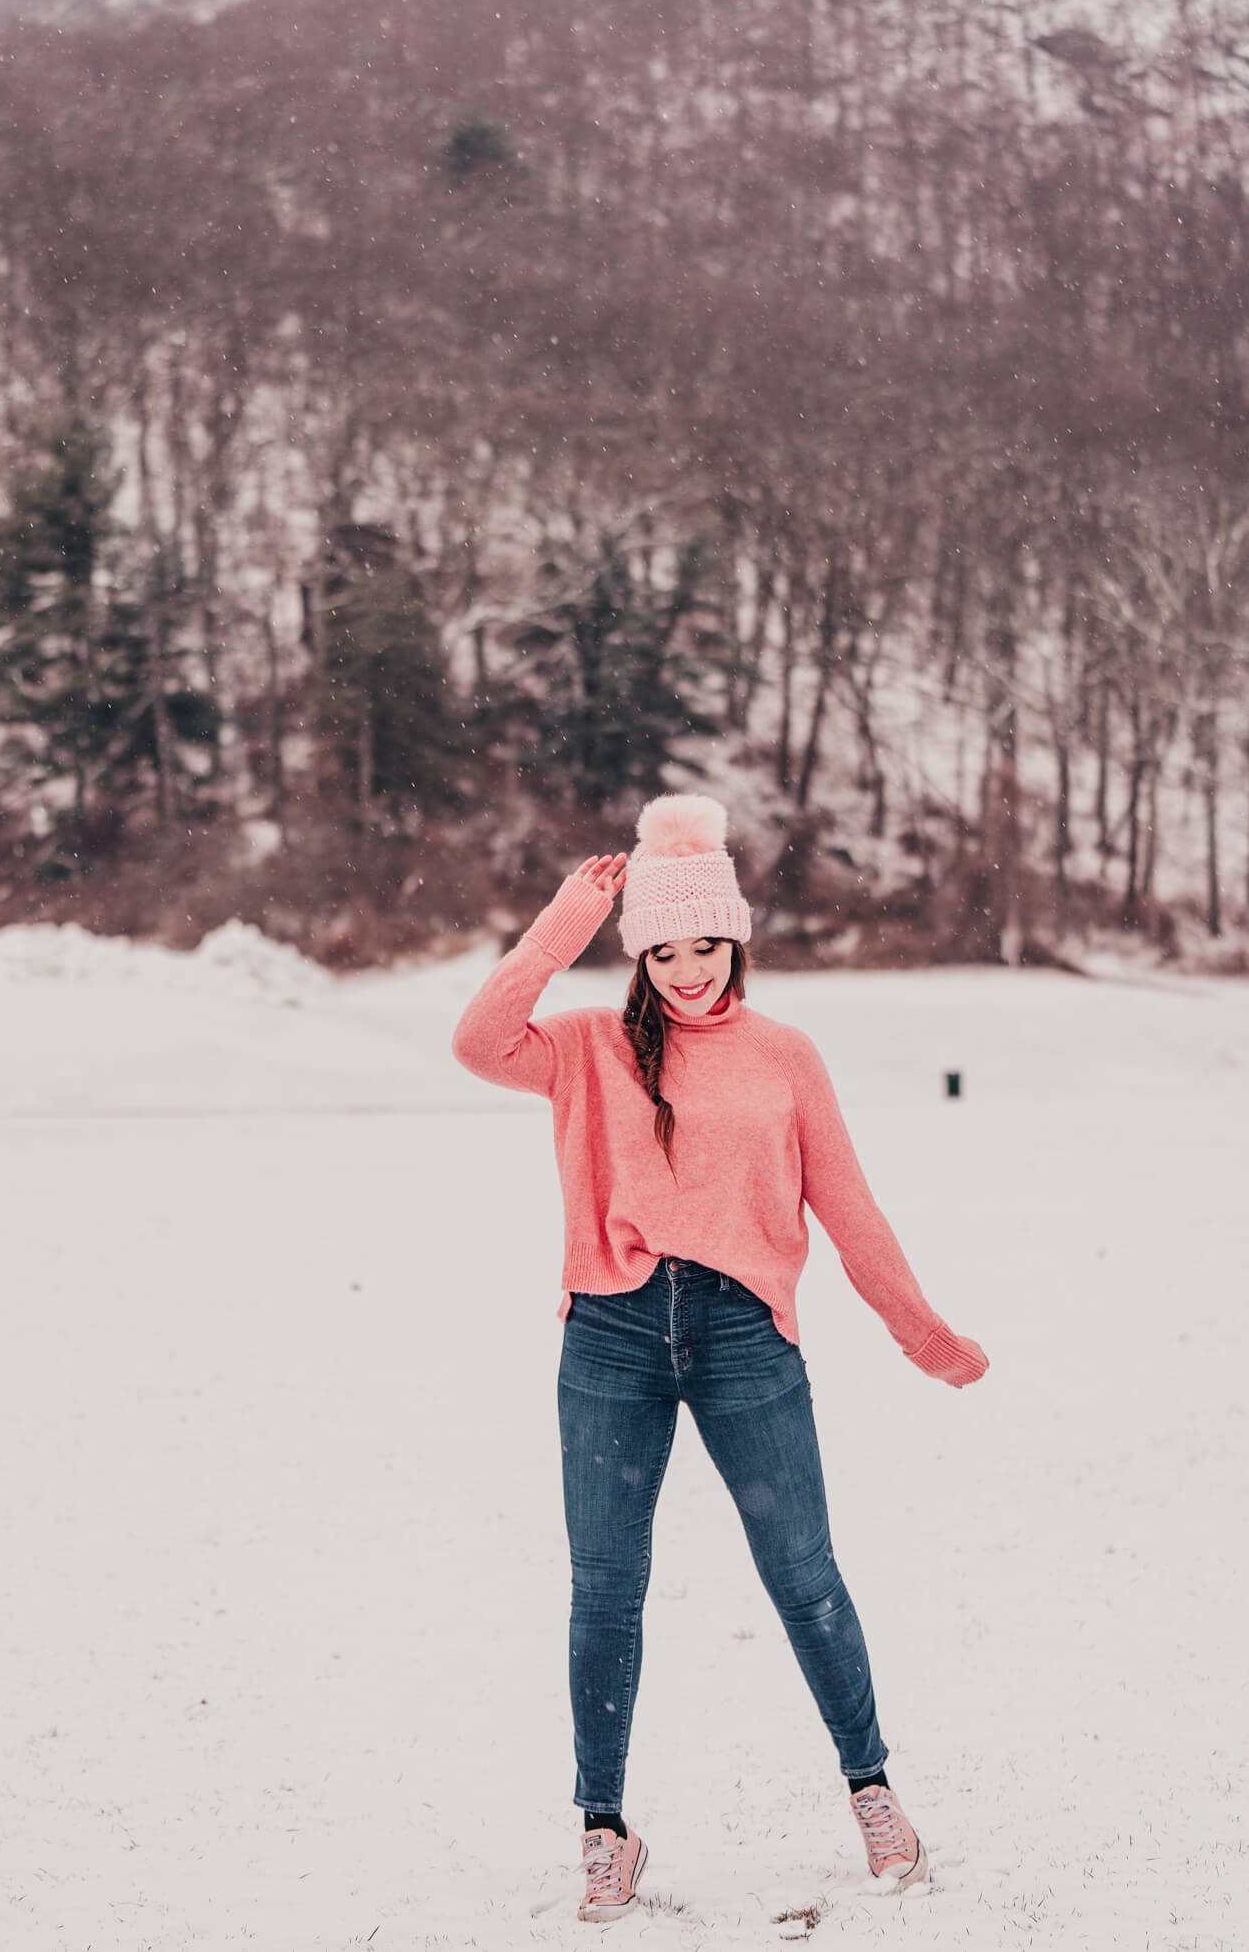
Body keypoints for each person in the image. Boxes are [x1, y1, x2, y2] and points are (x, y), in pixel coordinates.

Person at [452, 793, 988, 1922]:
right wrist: (559, 929)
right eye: (663, 949)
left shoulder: (784, 1057)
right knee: (604, 1588)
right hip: (610, 1332)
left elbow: (848, 1209)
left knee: (803, 1577)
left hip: (746, 1336)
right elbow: (477, 1042)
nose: (688, 970)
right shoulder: (591, 1048)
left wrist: (920, 1331)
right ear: (637, 953)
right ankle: (603, 1829)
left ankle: (872, 1788)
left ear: (736, 940)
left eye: (706, 945)